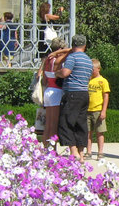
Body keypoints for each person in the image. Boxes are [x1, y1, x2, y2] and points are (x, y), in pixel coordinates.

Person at [57, 34, 93, 163]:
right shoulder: (88, 60)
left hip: (72, 92)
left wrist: (58, 73)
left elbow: (66, 72)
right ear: (85, 46)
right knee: (81, 123)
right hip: (84, 93)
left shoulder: (72, 57)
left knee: (66, 122)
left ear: (73, 45)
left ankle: (73, 152)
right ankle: (81, 154)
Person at [40, 37, 69, 146]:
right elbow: (73, 50)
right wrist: (60, 51)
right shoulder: (58, 59)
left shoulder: (47, 59)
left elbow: (44, 79)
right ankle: (52, 148)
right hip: (56, 91)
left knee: (48, 123)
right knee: (54, 123)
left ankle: (45, 146)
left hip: (48, 90)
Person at [87, 59, 111, 160]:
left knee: (99, 132)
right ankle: (88, 151)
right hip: (87, 110)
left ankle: (100, 152)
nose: (91, 71)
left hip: (98, 110)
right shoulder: (88, 80)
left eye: (92, 69)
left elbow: (106, 96)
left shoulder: (103, 81)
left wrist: (103, 111)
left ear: (98, 69)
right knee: (87, 132)